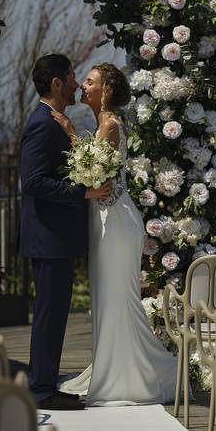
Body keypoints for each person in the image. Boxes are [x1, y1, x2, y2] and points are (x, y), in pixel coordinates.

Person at [54, 62, 177, 406]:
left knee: (118, 298)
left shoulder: (109, 125)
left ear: (105, 90)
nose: (83, 87)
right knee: (107, 298)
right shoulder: (102, 124)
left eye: (90, 82)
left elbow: (95, 177)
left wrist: (69, 133)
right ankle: (111, 368)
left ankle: (145, 373)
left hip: (116, 221)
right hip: (104, 219)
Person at [19, 54, 111, 410]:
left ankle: (45, 382)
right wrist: (82, 192)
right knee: (48, 315)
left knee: (54, 314)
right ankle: (41, 389)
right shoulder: (43, 123)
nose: (76, 84)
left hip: (53, 237)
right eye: (72, 78)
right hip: (47, 237)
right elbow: (34, 182)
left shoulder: (55, 121)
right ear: (56, 83)